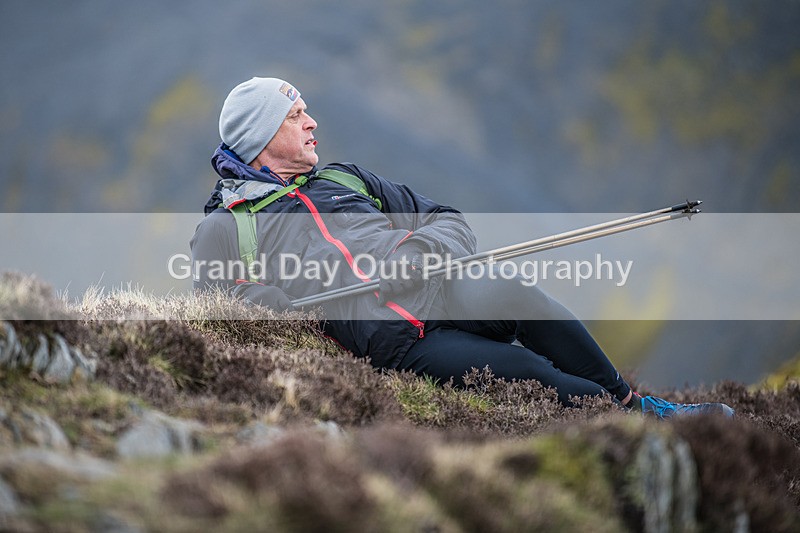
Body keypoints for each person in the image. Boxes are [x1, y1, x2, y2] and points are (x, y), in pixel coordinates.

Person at [190, 76, 733, 419]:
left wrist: (420, 254)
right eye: (294, 116)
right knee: (530, 373)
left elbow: (446, 219)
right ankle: (630, 424)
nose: (312, 122)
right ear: (261, 138)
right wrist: (268, 304)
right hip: (396, 344)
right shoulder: (227, 226)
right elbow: (217, 303)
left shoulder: (345, 178)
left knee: (520, 297)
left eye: (305, 110)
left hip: (442, 288)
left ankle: (640, 405)